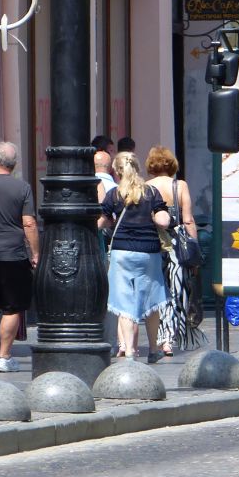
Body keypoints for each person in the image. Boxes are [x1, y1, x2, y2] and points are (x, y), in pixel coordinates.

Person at [99, 152, 171, 362]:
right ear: (137, 167)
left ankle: (129, 349)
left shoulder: (114, 194)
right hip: (149, 252)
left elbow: (102, 220)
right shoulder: (151, 192)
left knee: (124, 302)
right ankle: (154, 349)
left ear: (117, 171)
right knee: (151, 301)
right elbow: (163, 218)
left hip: (121, 252)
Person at [0, 143, 39, 372]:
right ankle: (4, 358)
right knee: (12, 307)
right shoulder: (22, 188)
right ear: (14, 166)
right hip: (13, 254)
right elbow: (29, 223)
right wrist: (35, 252)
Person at [145, 145, 201, 356]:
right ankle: (168, 337)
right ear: (172, 164)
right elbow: (188, 219)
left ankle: (160, 337)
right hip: (176, 242)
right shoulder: (180, 185)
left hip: (153, 242)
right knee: (176, 291)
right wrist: (194, 246)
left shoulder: (146, 186)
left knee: (158, 289)